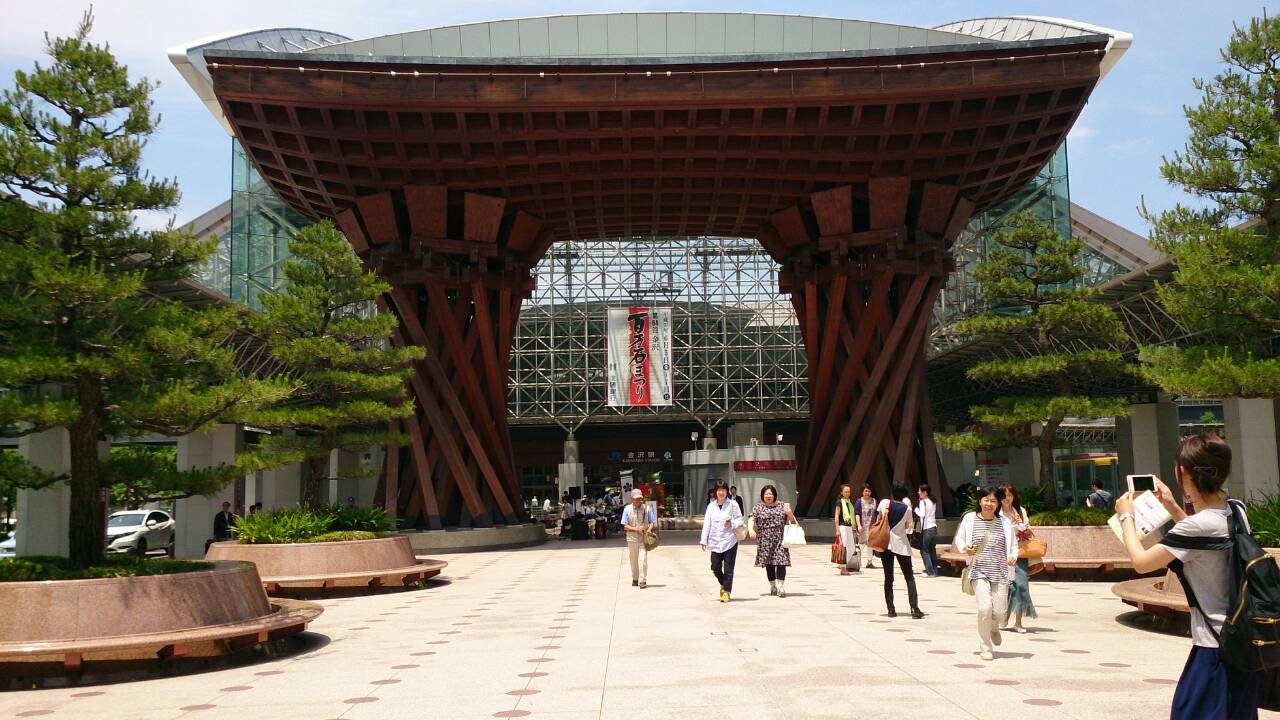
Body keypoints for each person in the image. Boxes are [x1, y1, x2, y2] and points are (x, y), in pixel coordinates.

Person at [1116, 434, 1261, 719]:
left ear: (1182, 471)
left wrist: (1126, 517)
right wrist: (1172, 506)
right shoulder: (1236, 512)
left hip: (1213, 650)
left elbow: (1141, 563)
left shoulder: (1196, 528)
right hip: (1242, 645)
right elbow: (1204, 541)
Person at [954, 486, 1018, 661]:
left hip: (1000, 571)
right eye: (986, 500)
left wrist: (1013, 556)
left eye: (993, 501)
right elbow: (959, 539)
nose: (989, 504)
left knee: (999, 611)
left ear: (998, 504)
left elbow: (1013, 546)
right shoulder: (970, 519)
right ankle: (985, 646)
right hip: (978, 570)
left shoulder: (1005, 522)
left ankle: (994, 627)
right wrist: (964, 548)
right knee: (984, 608)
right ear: (979, 501)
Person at [877, 485, 924, 619]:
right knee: (909, 576)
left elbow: (879, 518)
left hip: (885, 543)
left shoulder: (884, 503)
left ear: (892, 493)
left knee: (888, 577)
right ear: (904, 495)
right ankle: (914, 608)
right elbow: (907, 526)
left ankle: (891, 610)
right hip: (901, 544)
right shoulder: (907, 509)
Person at [998, 484, 1037, 633]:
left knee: (1021, 585)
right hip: (1001, 554)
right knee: (1007, 587)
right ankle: (1006, 615)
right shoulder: (995, 512)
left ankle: (1019, 622)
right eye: (1004, 495)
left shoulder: (1020, 511)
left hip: (1019, 553)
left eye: (1010, 495)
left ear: (1014, 496)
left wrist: (1020, 524)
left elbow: (1029, 532)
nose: (1007, 498)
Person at [700, 481, 744, 603]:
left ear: (727, 491)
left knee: (729, 568)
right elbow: (707, 524)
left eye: (723, 490)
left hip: (730, 540)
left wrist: (731, 523)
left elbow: (740, 520)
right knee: (715, 567)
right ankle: (723, 584)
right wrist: (703, 540)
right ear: (715, 492)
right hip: (715, 541)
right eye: (718, 490)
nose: (721, 492)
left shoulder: (733, 504)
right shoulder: (711, 506)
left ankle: (726, 592)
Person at [749, 484, 796, 597]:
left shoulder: (782, 506)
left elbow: (792, 521)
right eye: (766, 494)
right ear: (762, 495)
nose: (768, 496)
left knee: (781, 562)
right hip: (765, 540)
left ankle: (780, 586)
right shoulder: (758, 507)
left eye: (770, 493)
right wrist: (751, 530)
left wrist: (789, 513)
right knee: (769, 564)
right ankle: (773, 585)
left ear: (774, 495)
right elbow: (752, 519)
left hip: (780, 538)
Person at [621, 489, 656, 588]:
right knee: (633, 560)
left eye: (640, 498)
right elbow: (624, 525)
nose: (638, 500)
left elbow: (652, 521)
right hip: (631, 538)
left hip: (643, 539)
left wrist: (649, 529)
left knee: (643, 559)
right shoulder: (627, 509)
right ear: (632, 498)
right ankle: (635, 578)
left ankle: (642, 580)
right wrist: (636, 529)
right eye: (636, 499)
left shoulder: (647, 508)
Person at [833, 484, 860, 575]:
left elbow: (852, 516)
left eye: (848, 491)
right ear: (841, 492)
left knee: (852, 548)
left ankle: (842, 564)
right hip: (842, 526)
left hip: (849, 527)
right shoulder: (839, 502)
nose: (847, 493)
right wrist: (837, 529)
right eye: (845, 491)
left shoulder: (849, 503)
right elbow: (836, 515)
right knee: (844, 547)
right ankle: (843, 568)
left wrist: (855, 528)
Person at [915, 484, 939, 577]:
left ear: (925, 492)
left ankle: (930, 572)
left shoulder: (923, 502)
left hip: (927, 528)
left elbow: (922, 514)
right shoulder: (933, 501)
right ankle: (934, 571)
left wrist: (916, 509)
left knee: (924, 550)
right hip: (934, 527)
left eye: (920, 491)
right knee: (932, 549)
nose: (918, 492)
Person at [854, 484, 878, 570]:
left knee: (870, 544)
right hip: (862, 526)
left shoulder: (874, 501)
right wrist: (859, 525)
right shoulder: (859, 501)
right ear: (862, 492)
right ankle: (856, 560)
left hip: (871, 526)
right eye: (865, 491)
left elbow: (877, 514)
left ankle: (869, 562)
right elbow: (857, 514)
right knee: (861, 544)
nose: (867, 493)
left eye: (869, 491)